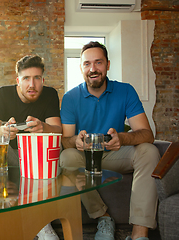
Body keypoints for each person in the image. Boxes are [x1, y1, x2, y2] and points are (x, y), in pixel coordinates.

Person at [60, 41, 160, 240]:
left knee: (149, 151)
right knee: (67, 157)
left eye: (98, 62)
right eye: (87, 64)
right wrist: (76, 142)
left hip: (116, 153)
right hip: (85, 157)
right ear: (81, 68)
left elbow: (147, 134)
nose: (93, 69)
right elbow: (65, 140)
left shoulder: (125, 91)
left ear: (108, 65)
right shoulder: (70, 98)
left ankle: (140, 233)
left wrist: (122, 138)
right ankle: (103, 217)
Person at [0, 55, 62, 240]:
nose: (32, 84)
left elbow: (58, 130)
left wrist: (43, 127)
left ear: (43, 80)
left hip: (37, 157)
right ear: (18, 81)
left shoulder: (50, 94)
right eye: (26, 78)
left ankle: (42, 223)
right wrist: (2, 130)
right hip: (9, 154)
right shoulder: (3, 93)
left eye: (37, 78)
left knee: (54, 153)